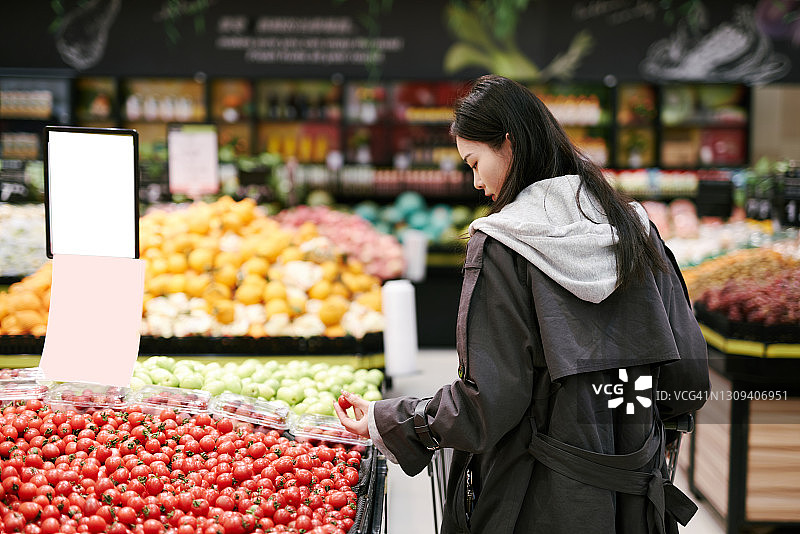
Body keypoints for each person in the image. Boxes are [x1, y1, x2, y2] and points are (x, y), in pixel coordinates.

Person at [334, 75, 710, 534]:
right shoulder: (634, 227)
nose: (476, 183)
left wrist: (391, 419)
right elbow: (687, 376)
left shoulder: (503, 245)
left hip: (538, 499)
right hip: (635, 500)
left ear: (508, 144)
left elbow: (487, 403)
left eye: (475, 162)